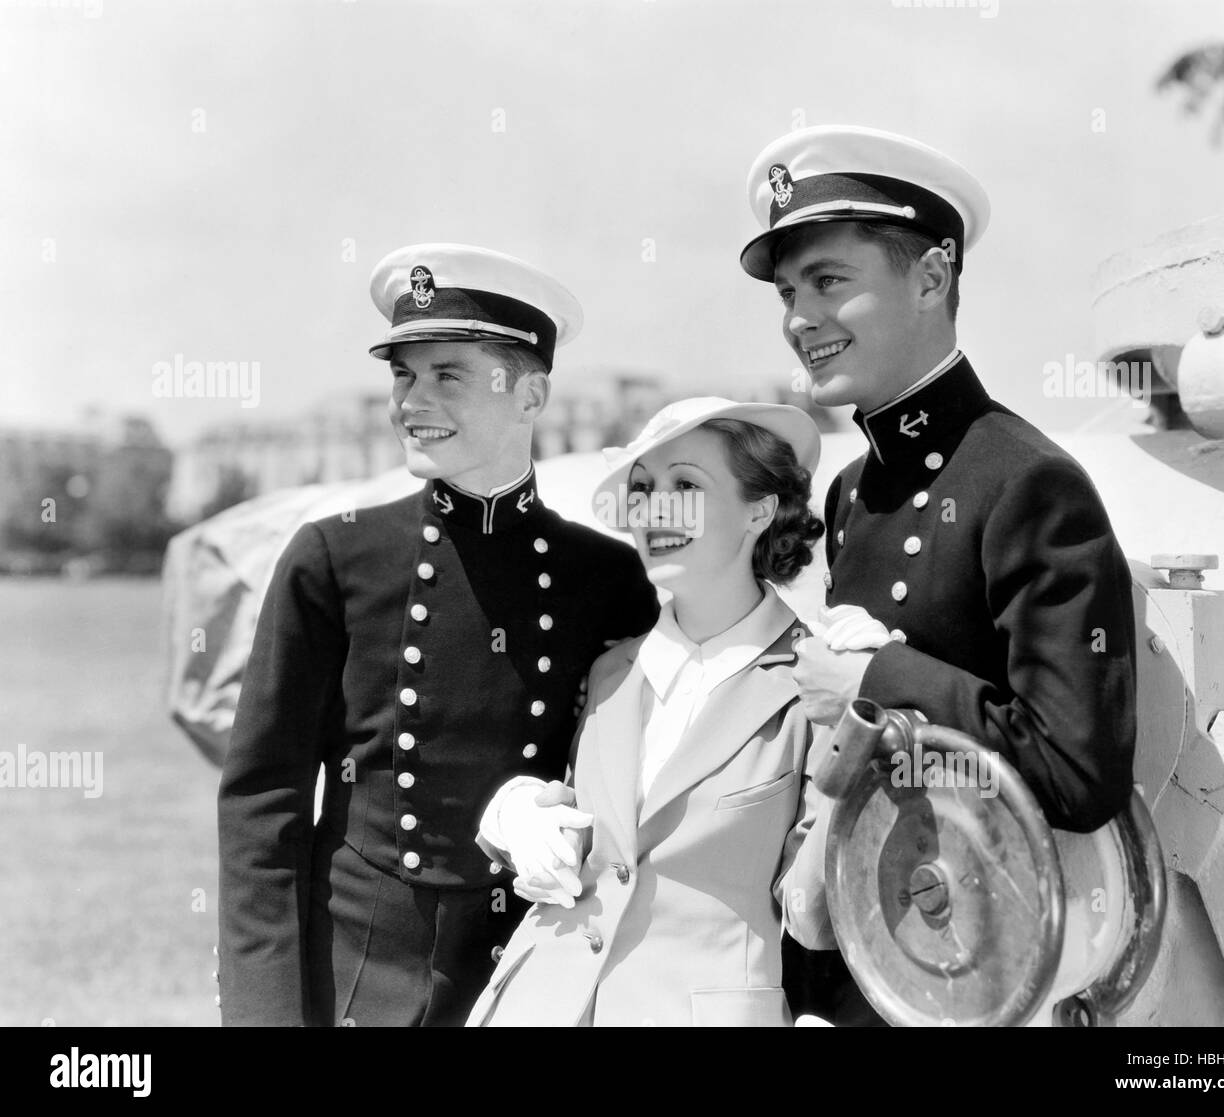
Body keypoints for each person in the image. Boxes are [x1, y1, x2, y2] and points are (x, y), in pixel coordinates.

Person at [738, 125, 1138, 1025]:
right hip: (867, 939)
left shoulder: (1026, 481)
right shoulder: (851, 491)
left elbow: (1077, 771)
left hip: (976, 963)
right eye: (790, 292)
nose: (800, 317)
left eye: (830, 281)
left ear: (930, 275)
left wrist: (879, 680)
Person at [216, 244, 659, 1026]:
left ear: (530, 393)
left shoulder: (608, 576)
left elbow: (637, 788)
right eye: (402, 375)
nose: (412, 400)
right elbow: (264, 800)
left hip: (536, 966)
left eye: (447, 374)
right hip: (357, 973)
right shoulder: (336, 558)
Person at [463, 397, 839, 1027]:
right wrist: (514, 817)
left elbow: (815, 911)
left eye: (686, 484)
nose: (655, 509)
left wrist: (866, 727)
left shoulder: (817, 680)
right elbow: (598, 848)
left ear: (761, 508)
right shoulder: (610, 672)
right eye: (641, 489)